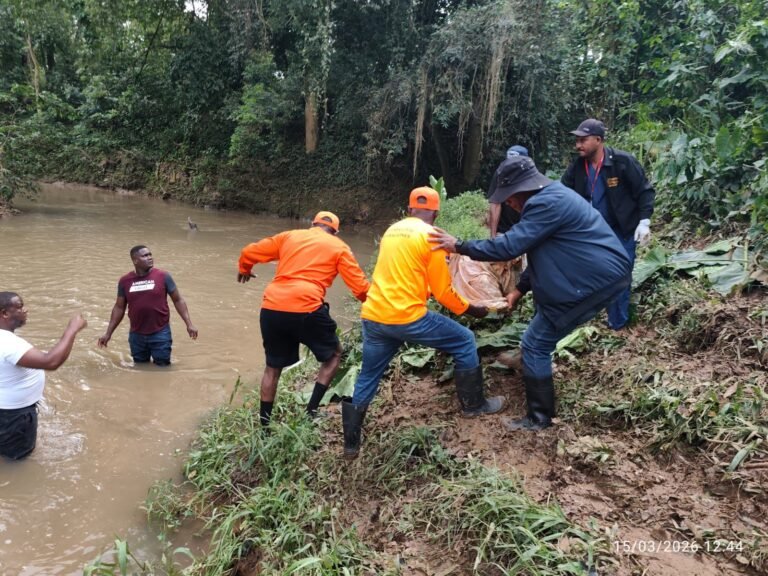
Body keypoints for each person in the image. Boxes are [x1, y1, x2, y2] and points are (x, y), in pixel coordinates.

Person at [430, 156, 632, 431]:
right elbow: (538, 251)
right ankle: (528, 361)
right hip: (597, 273)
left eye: (510, 197)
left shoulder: (545, 203)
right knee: (536, 332)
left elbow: (509, 247)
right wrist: (520, 289)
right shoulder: (553, 197)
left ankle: (539, 418)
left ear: (524, 189)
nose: (510, 203)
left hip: (596, 280)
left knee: (537, 343)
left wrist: (459, 245)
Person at [342, 187, 506, 459]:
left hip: (373, 316)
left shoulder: (392, 231)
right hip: (407, 317)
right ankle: (474, 405)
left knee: (369, 375)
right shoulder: (432, 237)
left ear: (409, 210)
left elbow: (406, 273)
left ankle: (351, 444)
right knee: (464, 339)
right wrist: (471, 309)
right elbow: (443, 292)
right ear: (437, 213)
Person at [237, 211, 370, 428]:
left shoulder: (289, 237)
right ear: (335, 231)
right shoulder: (339, 247)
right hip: (307, 306)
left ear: (313, 224)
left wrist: (245, 268)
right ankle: (311, 412)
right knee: (334, 354)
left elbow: (248, 252)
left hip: (272, 306)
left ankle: (264, 428)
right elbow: (361, 290)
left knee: (272, 368)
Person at [562, 119, 655, 330]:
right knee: (590, 275)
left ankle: (617, 323)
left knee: (620, 275)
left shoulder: (623, 162)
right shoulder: (577, 167)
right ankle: (584, 318)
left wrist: (644, 221)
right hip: (590, 233)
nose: (578, 145)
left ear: (598, 140)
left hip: (621, 230)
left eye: (583, 140)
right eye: (577, 141)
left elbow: (644, 191)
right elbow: (562, 194)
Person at [0, 292, 87, 460]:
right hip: (13, 417)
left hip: (7, 413)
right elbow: (51, 362)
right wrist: (72, 329)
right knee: (17, 461)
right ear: (4, 313)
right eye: (20, 307)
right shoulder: (8, 343)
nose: (26, 310)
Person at [98, 245, 197, 366]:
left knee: (163, 367)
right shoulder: (124, 281)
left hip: (160, 333)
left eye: (150, 254)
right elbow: (119, 307)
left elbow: (178, 300)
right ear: (135, 260)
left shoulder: (163, 276)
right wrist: (108, 333)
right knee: (140, 367)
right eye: (145, 256)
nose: (150, 257)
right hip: (136, 334)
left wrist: (189, 324)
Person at [487, 145, 529, 238]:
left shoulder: (532, 178)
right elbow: (495, 203)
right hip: (504, 231)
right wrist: (493, 237)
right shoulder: (500, 174)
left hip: (525, 230)